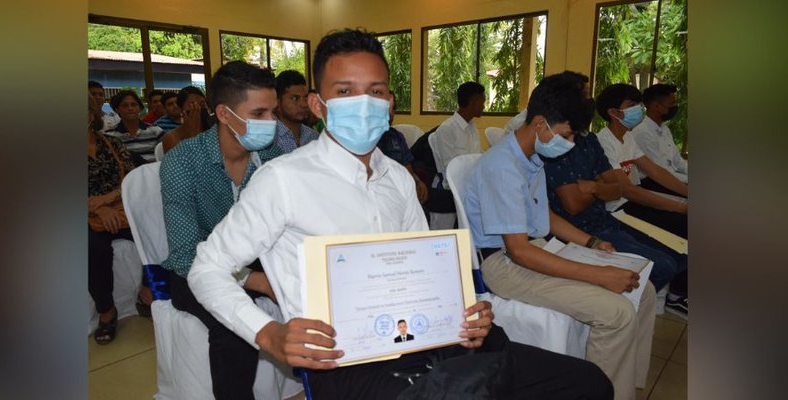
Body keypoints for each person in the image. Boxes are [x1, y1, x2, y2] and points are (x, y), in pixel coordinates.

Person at [187, 28, 612, 400]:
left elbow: (427, 267)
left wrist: (470, 307)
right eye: (344, 91)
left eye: (375, 91)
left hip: (434, 339)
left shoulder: (398, 179)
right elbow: (206, 268)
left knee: (588, 383)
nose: (363, 103)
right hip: (349, 363)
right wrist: (268, 333)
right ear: (318, 105)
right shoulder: (284, 179)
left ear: (390, 101)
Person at [465, 71, 656, 400]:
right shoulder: (502, 166)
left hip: (535, 249)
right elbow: (519, 252)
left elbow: (546, 216)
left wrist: (591, 243)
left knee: (645, 289)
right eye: (567, 135)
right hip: (504, 264)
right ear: (540, 123)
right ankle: (604, 393)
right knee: (617, 313)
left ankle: (626, 387)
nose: (568, 144)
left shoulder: (530, 158)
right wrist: (599, 275)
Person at [160, 61, 285, 400]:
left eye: (273, 112)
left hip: (260, 259)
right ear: (224, 114)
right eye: (259, 113)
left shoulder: (272, 156)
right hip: (195, 271)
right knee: (234, 326)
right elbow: (186, 255)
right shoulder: (183, 162)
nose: (271, 123)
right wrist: (260, 282)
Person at [541, 74, 688, 320]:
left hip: (605, 220)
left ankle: (623, 309)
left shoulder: (589, 141)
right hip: (590, 225)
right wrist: (602, 188)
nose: (589, 102)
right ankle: (615, 311)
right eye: (584, 96)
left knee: (678, 259)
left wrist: (595, 187)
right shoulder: (558, 143)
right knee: (664, 264)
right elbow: (575, 204)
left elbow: (617, 187)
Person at [595, 84, 688, 239]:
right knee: (682, 224)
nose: (639, 110)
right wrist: (680, 207)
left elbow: (656, 171)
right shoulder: (604, 142)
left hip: (632, 201)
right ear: (613, 112)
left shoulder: (628, 137)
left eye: (638, 105)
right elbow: (626, 189)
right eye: (631, 105)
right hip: (617, 209)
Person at [87, 93, 137, 344]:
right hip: (85, 215)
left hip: (119, 207)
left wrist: (107, 201)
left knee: (152, 232)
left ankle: (150, 292)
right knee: (92, 249)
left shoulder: (112, 143)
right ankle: (107, 311)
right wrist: (95, 209)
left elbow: (130, 178)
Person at [631, 83, 688, 191]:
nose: (675, 107)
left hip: (672, 180)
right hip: (653, 185)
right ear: (656, 106)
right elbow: (661, 172)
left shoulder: (664, 129)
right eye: (672, 103)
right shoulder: (642, 133)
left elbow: (678, 162)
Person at [429, 81, 485, 189]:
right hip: (454, 188)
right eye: (482, 102)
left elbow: (479, 155)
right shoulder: (447, 130)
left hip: (472, 182)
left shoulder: (471, 126)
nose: (483, 106)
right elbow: (451, 169)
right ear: (473, 102)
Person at [377, 91, 428, 204]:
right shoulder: (368, 140)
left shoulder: (397, 136)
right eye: (386, 108)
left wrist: (418, 182)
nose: (390, 114)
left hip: (403, 192)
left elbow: (408, 168)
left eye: (393, 109)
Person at [104, 90, 164, 165]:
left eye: (134, 105)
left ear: (139, 108)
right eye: (125, 105)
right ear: (117, 109)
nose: (130, 108)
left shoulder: (155, 130)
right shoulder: (110, 135)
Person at [274, 70, 319, 152]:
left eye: (305, 98)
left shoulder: (313, 137)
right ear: (277, 103)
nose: (304, 104)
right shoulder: (269, 139)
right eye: (294, 98)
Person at [161, 86, 212, 154]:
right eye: (192, 106)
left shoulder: (213, 130)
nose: (198, 109)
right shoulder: (171, 137)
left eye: (202, 104)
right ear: (181, 110)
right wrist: (193, 135)